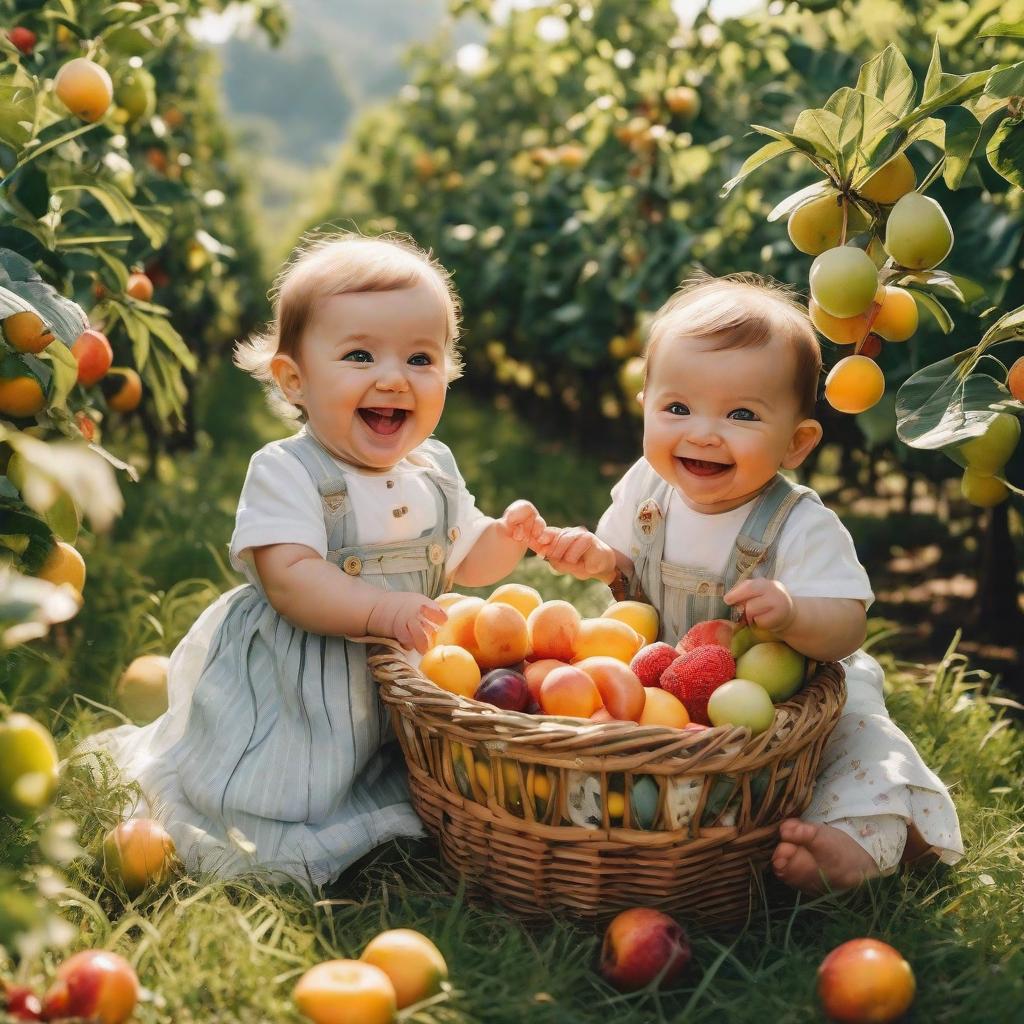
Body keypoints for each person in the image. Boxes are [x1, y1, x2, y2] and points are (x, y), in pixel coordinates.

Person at [80, 233, 546, 890]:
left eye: (420, 357)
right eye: (360, 355)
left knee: (381, 765)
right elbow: (290, 579)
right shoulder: (287, 470)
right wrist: (382, 608)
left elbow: (467, 557)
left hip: (390, 684)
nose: (392, 377)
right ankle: (264, 817)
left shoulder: (434, 470)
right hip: (300, 684)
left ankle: (372, 798)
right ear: (294, 380)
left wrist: (509, 534)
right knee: (280, 795)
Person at [536, 273, 963, 893]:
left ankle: (856, 842)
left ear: (796, 443)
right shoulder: (646, 491)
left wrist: (791, 615)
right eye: (677, 408)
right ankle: (630, 833)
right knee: (603, 734)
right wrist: (596, 558)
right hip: (665, 687)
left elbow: (847, 627)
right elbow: (623, 568)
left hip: (787, 699)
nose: (703, 432)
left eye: (740, 414)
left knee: (857, 740)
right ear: (646, 407)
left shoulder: (799, 524)